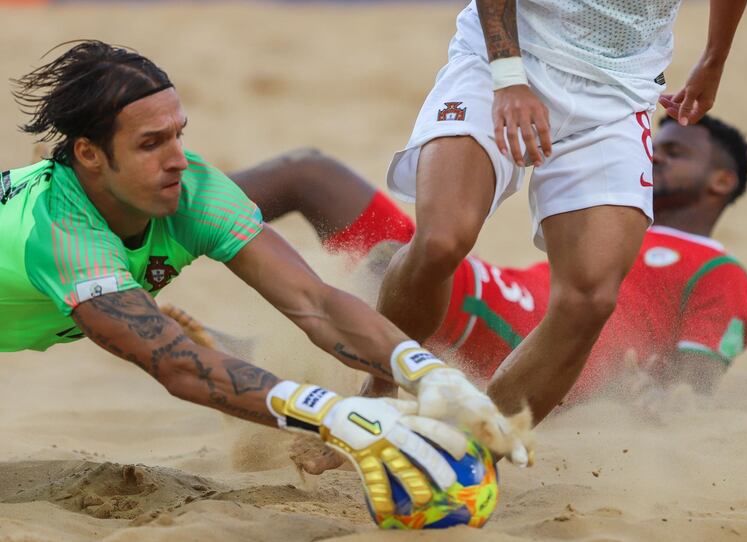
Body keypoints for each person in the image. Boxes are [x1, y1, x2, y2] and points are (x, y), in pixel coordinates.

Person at [0, 41, 535, 515]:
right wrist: (335, 413)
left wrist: (421, 370)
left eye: (178, 134)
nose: (178, 160)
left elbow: (315, 303)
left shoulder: (192, 192)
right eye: (150, 144)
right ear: (89, 154)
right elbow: (176, 367)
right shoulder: (60, 235)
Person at [373, 0, 747, 422]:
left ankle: (476, 450)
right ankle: (377, 392)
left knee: (590, 300)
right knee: (442, 240)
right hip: (506, 59)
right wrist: (509, 77)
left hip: (619, 89)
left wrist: (715, 57)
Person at [225, 114, 747, 403]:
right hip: (485, 288)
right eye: (653, 144)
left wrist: (645, 398)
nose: (653, 153)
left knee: (397, 261)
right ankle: (162, 226)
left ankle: (290, 351)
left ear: (721, 182)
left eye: (675, 152)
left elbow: (691, 385)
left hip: (521, 335)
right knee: (310, 174)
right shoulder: (618, 221)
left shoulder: (718, 270)